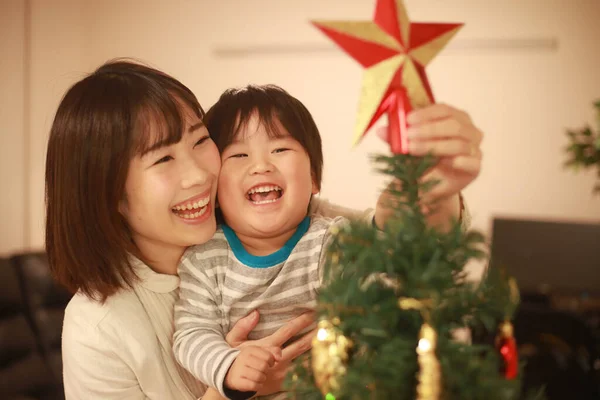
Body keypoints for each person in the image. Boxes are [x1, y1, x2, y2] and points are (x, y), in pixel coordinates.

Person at [45, 59, 482, 400]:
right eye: (163, 159)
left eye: (200, 141)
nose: (199, 174)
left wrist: (432, 189)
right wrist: (230, 388)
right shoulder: (98, 327)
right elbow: (196, 338)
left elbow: (401, 245)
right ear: (109, 194)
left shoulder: (308, 227)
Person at [172, 85, 350, 400]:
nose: (260, 165)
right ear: (214, 191)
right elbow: (191, 335)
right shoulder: (205, 258)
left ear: (313, 178)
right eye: (239, 155)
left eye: (280, 150)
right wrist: (227, 366)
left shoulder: (331, 242)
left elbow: (376, 303)